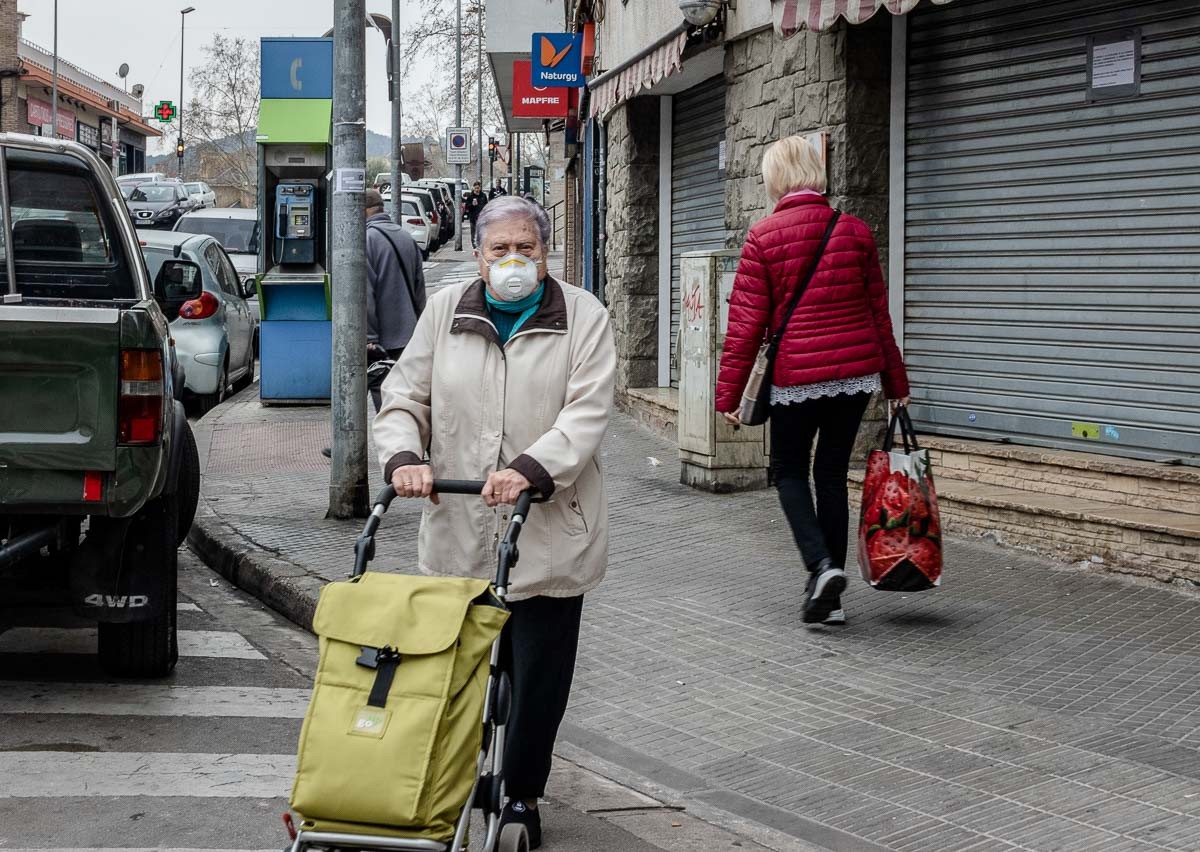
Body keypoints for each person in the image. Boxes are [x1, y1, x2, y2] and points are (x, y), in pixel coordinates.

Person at [374, 195, 615, 849]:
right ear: (478, 256)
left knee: (537, 681)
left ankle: (521, 795)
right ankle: (449, 785)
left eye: (525, 248)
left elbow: (588, 413)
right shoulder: (446, 311)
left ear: (545, 254)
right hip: (458, 527)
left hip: (549, 532)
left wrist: (531, 468)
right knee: (454, 676)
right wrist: (404, 456)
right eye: (499, 249)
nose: (513, 260)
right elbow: (405, 396)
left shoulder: (583, 316)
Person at [715, 135, 910, 627]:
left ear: (775, 178)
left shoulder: (763, 237)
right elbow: (879, 314)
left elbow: (745, 327)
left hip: (797, 375)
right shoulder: (855, 230)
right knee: (830, 475)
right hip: (855, 377)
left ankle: (822, 567)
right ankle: (832, 600)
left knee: (787, 470)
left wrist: (729, 396)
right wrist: (896, 382)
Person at [322, 189, 426, 459]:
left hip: (379, 336)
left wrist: (368, 336)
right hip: (408, 334)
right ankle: (404, 445)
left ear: (361, 211)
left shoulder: (365, 240)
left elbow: (363, 294)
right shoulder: (405, 237)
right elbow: (419, 289)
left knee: (367, 389)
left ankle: (387, 451)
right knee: (401, 395)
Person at [464, 180, 489, 247]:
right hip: (473, 218)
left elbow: (486, 206)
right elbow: (467, 208)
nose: (477, 190)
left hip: (481, 218)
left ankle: (481, 245)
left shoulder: (483, 196)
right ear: (473, 188)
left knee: (481, 233)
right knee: (473, 233)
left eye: (478, 188)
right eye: (475, 188)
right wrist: (472, 205)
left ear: (480, 188)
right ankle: (475, 247)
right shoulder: (470, 197)